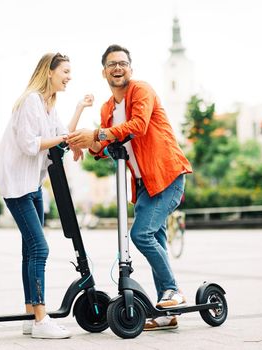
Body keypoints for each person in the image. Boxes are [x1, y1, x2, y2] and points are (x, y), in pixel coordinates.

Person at [67, 44, 193, 331]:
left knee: (142, 234)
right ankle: (166, 311)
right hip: (144, 185)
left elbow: (139, 125)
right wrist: (86, 144)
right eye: (112, 64)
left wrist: (97, 134)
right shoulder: (107, 108)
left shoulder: (141, 91)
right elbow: (105, 144)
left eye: (123, 63)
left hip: (167, 176)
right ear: (104, 72)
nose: (118, 68)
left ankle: (173, 290)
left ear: (130, 69)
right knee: (156, 240)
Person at [0, 52, 93, 339]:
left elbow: (62, 133)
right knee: (40, 249)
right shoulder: (31, 101)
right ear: (49, 72)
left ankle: (30, 316)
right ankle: (40, 319)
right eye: (65, 71)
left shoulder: (49, 104)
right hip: (17, 186)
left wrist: (77, 118)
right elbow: (30, 145)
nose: (69, 76)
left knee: (30, 250)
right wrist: (66, 140)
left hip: (33, 184)